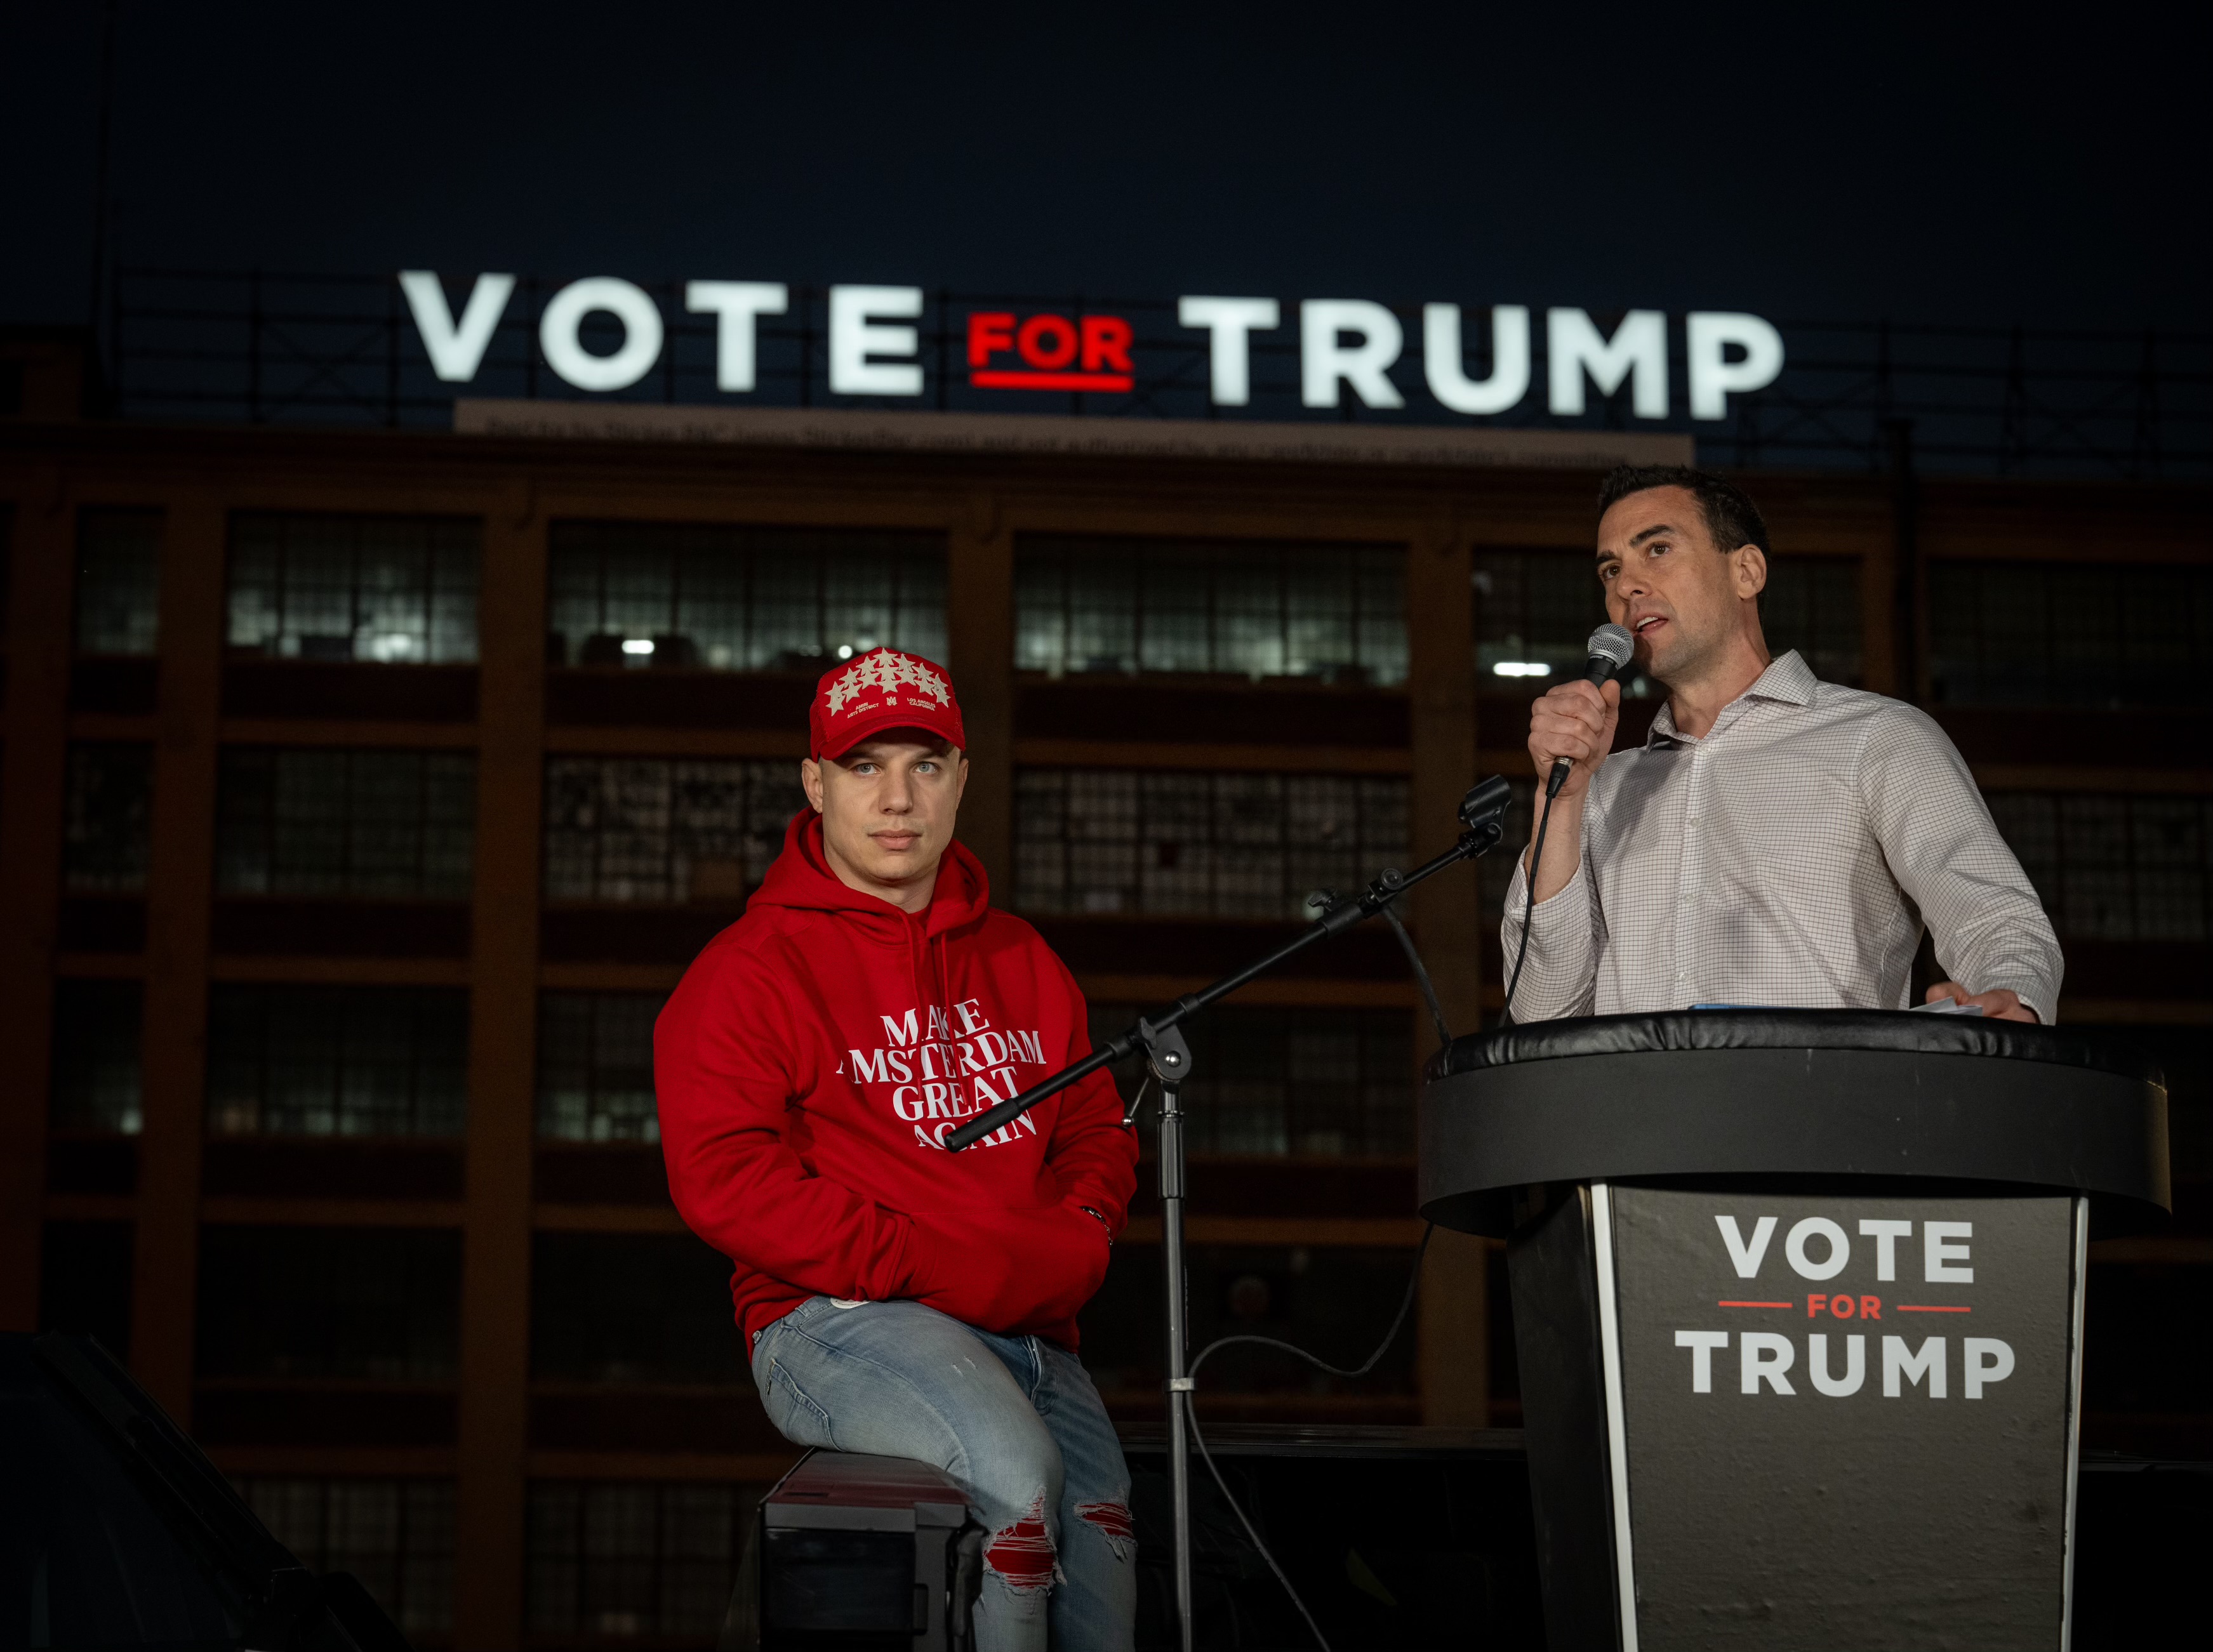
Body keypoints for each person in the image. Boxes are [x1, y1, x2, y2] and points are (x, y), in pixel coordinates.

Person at [655, 647, 1140, 1652]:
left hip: (1030, 1327)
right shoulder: (750, 969)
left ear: (961, 779)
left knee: (1106, 1532)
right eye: (864, 765)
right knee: (1017, 1488)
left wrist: (1085, 1227)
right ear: (815, 781)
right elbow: (724, 1182)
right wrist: (929, 1261)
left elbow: (1094, 1123)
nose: (896, 797)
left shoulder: (1020, 955)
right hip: (836, 1320)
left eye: (924, 764)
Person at [1505, 464, 2061, 1022]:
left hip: (1817, 1104)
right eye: (1610, 570)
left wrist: (2009, 1003)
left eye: (1657, 550)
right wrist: (1567, 797)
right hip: (1636, 1108)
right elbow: (1541, 1012)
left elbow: (1994, 921)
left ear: (1746, 571)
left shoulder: (1877, 739)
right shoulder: (1601, 788)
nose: (1626, 586)